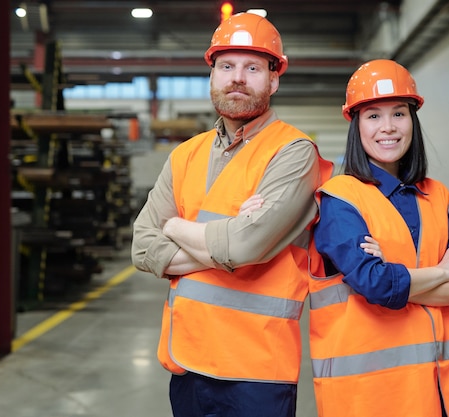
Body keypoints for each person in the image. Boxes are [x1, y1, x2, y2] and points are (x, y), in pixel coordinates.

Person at [131, 11, 333, 417]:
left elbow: (245, 246)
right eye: (227, 66)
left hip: (256, 369)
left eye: (253, 67)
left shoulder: (293, 152)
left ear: (273, 79)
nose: (237, 77)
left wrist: (173, 228)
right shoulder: (185, 154)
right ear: (212, 75)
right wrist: (229, 242)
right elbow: (141, 245)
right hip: (186, 360)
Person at [309, 59, 449, 417]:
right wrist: (444, 272)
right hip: (369, 398)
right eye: (373, 115)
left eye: (398, 114)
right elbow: (376, 285)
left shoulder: (439, 196)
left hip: (440, 392)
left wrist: (398, 278)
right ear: (355, 124)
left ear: (412, 121)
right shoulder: (340, 199)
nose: (388, 127)